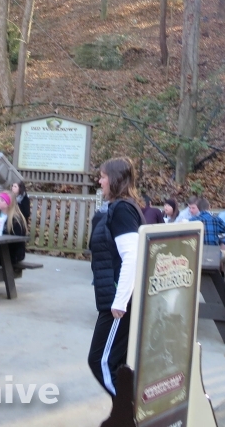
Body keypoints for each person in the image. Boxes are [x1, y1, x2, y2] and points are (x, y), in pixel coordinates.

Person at [87, 157, 143, 397]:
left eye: (103, 176)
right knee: (118, 364)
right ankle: (126, 415)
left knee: (101, 361)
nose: (99, 181)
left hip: (119, 301)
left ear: (115, 179)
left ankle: (130, 413)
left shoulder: (122, 209)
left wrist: (120, 302)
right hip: (112, 296)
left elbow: (132, 256)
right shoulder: (117, 207)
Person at [189, 198, 225, 284]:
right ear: (209, 207)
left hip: (198, 255)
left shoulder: (193, 221)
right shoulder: (216, 219)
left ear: (198, 208)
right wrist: (217, 230)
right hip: (213, 255)